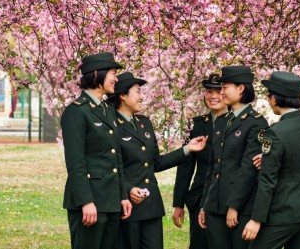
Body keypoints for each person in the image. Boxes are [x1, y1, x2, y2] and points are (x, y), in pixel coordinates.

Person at [108, 71, 208, 249]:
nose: (141, 96)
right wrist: (128, 189)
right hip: (126, 206)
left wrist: (187, 149)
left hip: (151, 206)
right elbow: (108, 166)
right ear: (123, 95)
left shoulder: (144, 123)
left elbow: (156, 163)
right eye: (137, 91)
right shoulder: (110, 125)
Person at [242, 71, 300, 249]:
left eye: (269, 96)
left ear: (276, 99)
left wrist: (256, 219)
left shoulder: (275, 132)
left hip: (282, 212)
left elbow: (267, 180)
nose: (269, 101)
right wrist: (273, 160)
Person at [61, 52, 132, 249]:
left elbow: (115, 157)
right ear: (96, 75)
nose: (116, 79)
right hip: (90, 203)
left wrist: (123, 196)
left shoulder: (108, 110)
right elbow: (76, 163)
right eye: (112, 73)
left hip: (111, 200)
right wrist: (86, 202)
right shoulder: (76, 112)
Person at [199, 65, 269, 249]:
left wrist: (234, 206)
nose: (220, 93)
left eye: (224, 87)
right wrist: (204, 204)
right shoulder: (222, 122)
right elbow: (213, 167)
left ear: (240, 89)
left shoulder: (256, 122)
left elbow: (249, 168)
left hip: (240, 207)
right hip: (214, 205)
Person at [172, 73, 228, 249]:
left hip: (230, 197)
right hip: (200, 195)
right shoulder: (195, 125)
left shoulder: (239, 124)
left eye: (218, 91)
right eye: (209, 91)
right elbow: (185, 167)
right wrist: (178, 203)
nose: (213, 96)